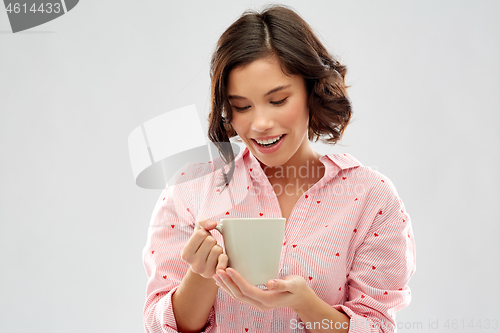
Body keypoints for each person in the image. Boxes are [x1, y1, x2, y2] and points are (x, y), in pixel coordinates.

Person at [142, 5, 415, 333]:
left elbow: (377, 327)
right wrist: (201, 275)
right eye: (242, 106)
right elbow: (160, 325)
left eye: (278, 100)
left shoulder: (370, 197)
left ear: (311, 90)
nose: (260, 124)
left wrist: (304, 304)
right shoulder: (191, 189)